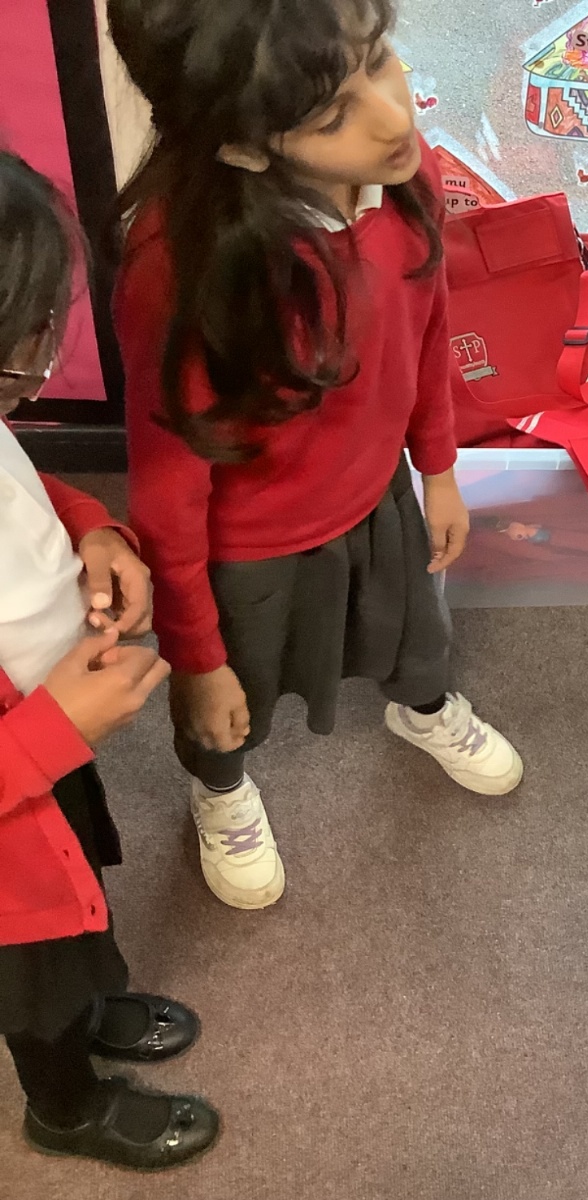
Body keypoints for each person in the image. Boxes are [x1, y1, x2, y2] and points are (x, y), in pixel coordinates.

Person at [107, 0, 524, 910]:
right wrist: (196, 656)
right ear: (245, 145)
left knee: (416, 636)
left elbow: (428, 327)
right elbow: (167, 489)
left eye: (380, 59)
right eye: (334, 114)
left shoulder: (404, 173)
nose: (393, 115)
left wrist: (439, 468)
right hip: (250, 547)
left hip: (380, 496)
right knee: (232, 702)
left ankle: (425, 712)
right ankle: (221, 791)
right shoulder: (179, 270)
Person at [1, 151, 219, 1169]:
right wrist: (54, 732)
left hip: (46, 755)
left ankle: (90, 1004)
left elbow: (23, 490)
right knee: (33, 977)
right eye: (22, 342)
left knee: (78, 900)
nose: (37, 358)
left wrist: (92, 528)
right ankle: (66, 1108)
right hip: (13, 811)